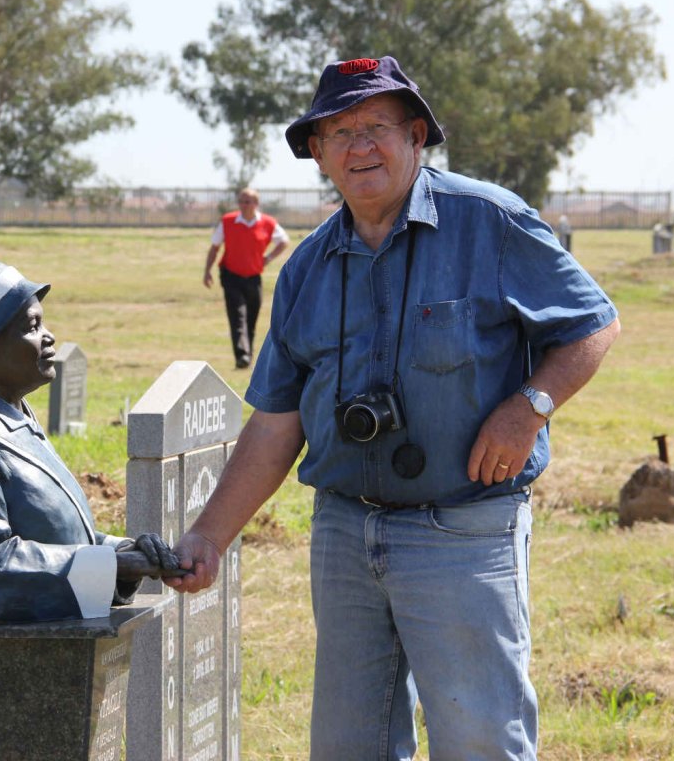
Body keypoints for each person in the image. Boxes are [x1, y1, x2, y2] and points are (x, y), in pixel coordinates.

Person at [168, 57, 620, 759]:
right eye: (339, 131)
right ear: (317, 153)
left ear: (416, 136)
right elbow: (275, 421)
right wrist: (209, 536)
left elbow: (593, 324)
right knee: (351, 745)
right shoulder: (307, 270)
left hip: (464, 527)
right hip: (346, 535)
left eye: (376, 126)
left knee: (479, 742)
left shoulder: (489, 223)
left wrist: (527, 407)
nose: (359, 146)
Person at [0, 252, 181, 624]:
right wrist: (111, 564)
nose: (49, 337)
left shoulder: (9, 417)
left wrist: (126, 552)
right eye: (32, 326)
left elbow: (52, 537)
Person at [203, 187, 290, 368]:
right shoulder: (227, 221)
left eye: (248, 201)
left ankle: (247, 355)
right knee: (237, 316)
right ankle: (241, 356)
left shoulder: (267, 223)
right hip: (231, 275)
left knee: (252, 316)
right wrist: (207, 270)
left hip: (254, 276)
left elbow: (284, 241)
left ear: (256, 204)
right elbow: (215, 247)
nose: (244, 205)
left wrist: (269, 258)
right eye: (241, 201)